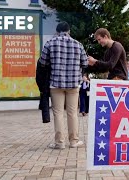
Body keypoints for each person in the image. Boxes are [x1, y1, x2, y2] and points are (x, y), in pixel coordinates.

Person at [38, 21, 88, 149]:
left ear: (57, 31)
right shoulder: (78, 44)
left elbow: (42, 62)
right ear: (69, 31)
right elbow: (85, 63)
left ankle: (59, 142)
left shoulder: (50, 43)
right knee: (72, 113)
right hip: (73, 84)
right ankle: (73, 141)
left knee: (58, 113)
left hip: (56, 83)